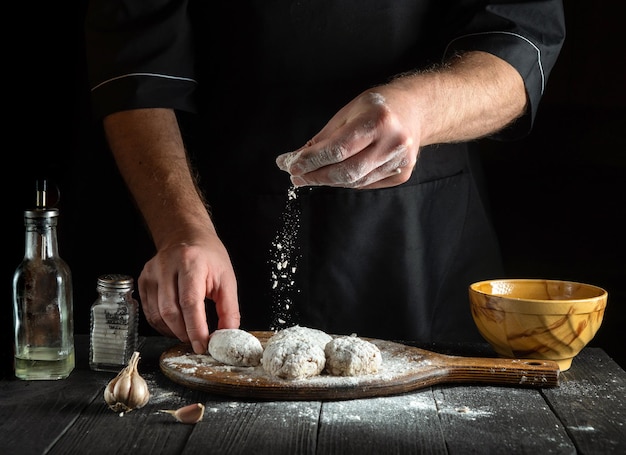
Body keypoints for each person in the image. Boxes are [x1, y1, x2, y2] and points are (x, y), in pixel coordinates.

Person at [84, 1, 566, 354]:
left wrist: (421, 109)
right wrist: (180, 229)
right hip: (213, 229)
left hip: (418, 241)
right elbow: (135, 64)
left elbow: (521, 38)